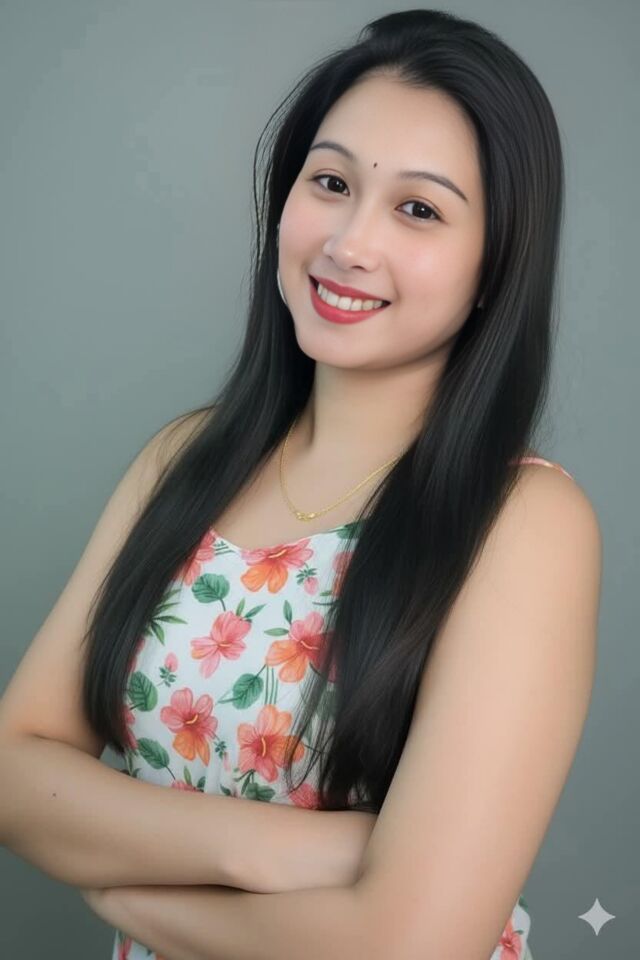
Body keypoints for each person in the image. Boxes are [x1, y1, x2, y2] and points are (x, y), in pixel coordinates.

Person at [0, 9, 602, 960]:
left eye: (419, 209)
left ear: (496, 263)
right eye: (331, 183)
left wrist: (124, 890)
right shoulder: (184, 460)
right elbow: (12, 770)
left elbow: (410, 942)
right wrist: (269, 850)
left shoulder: (523, 521)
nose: (350, 243)